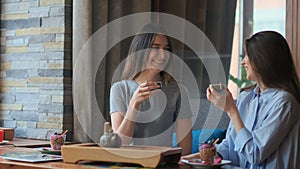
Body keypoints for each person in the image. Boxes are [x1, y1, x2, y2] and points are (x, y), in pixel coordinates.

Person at [205, 31, 300, 168]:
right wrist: (198, 158)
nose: (243, 61)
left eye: (248, 55)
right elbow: (231, 147)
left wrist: (231, 110)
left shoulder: (285, 103)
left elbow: (254, 154)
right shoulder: (246, 97)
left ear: (264, 59)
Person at [109, 23, 192, 155]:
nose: (163, 55)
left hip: (163, 163)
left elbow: (186, 149)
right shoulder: (120, 89)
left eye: (166, 49)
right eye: (155, 48)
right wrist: (133, 105)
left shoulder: (178, 91)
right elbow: (121, 143)